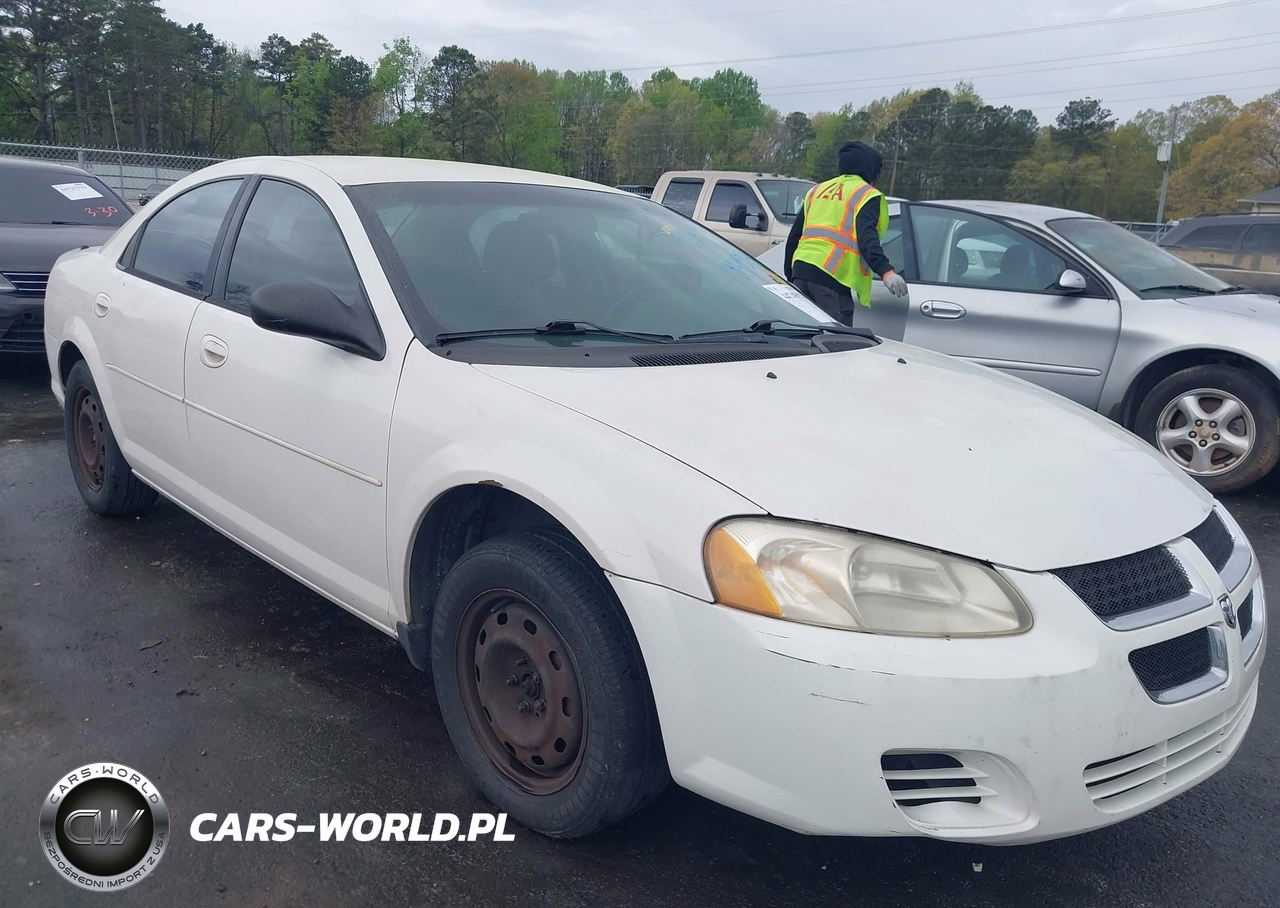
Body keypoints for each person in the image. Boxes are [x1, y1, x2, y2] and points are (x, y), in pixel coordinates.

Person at [784, 141, 908, 324]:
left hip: (801, 272)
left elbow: (795, 236)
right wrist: (886, 272)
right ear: (870, 169)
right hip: (831, 279)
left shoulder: (817, 190)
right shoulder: (866, 194)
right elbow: (867, 238)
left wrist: (791, 274)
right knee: (836, 343)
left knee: (803, 339)